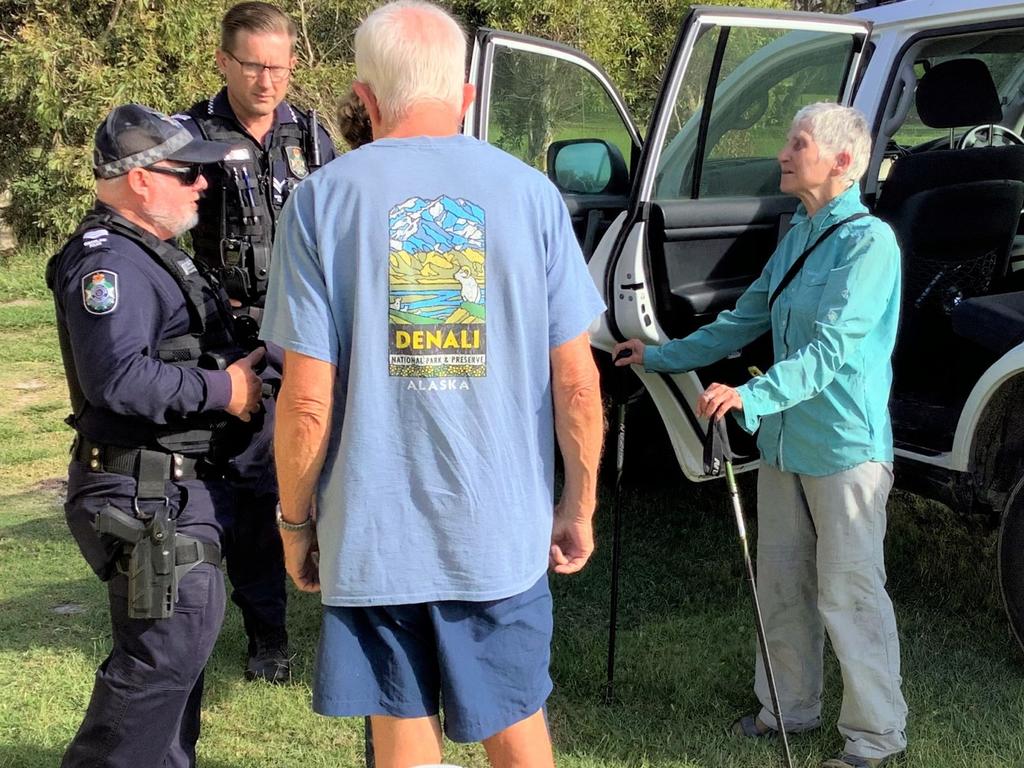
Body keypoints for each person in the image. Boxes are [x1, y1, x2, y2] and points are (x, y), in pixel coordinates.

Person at [260, 1, 606, 765]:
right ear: (468, 96)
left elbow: (306, 400)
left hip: (374, 532)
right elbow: (578, 386)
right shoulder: (532, 196)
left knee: (401, 728)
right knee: (518, 722)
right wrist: (576, 505)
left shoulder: (321, 200)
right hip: (498, 530)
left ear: (367, 100)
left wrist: (294, 523)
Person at [614, 102, 907, 768]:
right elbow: (744, 320)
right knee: (780, 584)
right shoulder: (801, 233)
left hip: (844, 451)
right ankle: (789, 710)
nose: (782, 152)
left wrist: (751, 394)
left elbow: (832, 350)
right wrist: (659, 354)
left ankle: (874, 736)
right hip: (784, 446)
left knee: (849, 592)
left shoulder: (869, 245)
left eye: (796, 142)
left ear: (842, 159)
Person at [47, 104, 266, 767]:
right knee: (158, 665)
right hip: (144, 495)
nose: (202, 186)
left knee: (174, 672)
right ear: (141, 179)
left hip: (166, 489)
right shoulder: (108, 263)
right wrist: (224, 390)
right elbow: (117, 378)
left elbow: (170, 349)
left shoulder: (148, 254)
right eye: (187, 174)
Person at [174, 0, 337, 683]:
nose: (268, 80)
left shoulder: (311, 133)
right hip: (232, 337)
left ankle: (342, 604)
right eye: (253, 65)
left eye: (279, 65)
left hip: (304, 331)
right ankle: (267, 632)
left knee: (319, 467)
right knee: (249, 484)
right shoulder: (190, 134)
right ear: (224, 61)